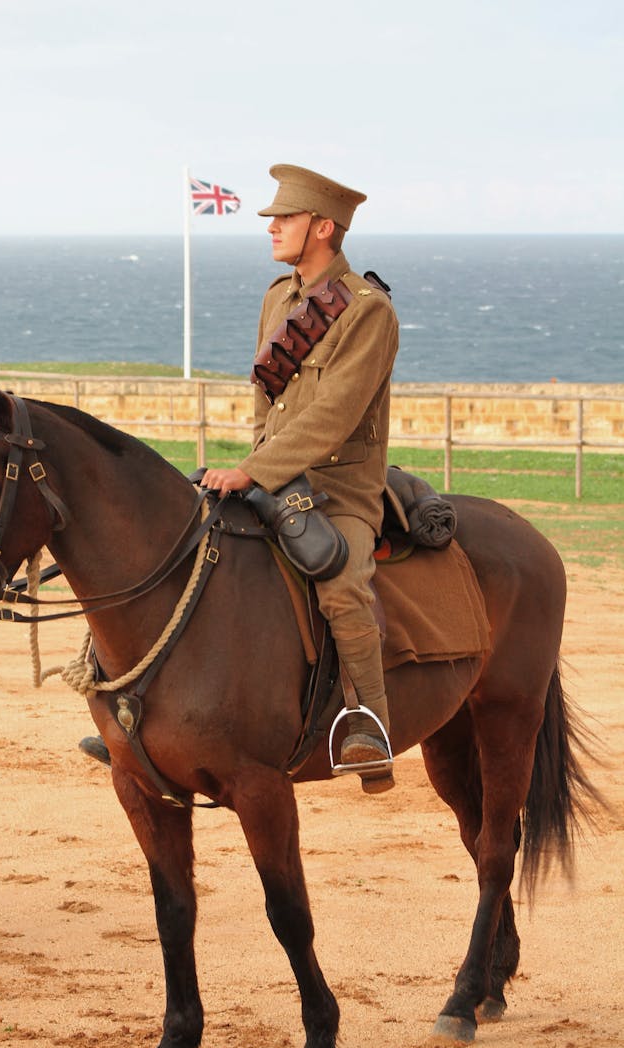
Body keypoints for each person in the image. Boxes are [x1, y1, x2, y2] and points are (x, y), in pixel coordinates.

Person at [200, 164, 399, 787]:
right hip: (272, 476)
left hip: (340, 489)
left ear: (322, 227)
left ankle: (369, 726)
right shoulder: (278, 298)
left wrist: (251, 472)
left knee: (341, 580)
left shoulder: (369, 312)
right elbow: (268, 396)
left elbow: (333, 414)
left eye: (284, 219)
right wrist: (252, 471)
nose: (272, 228)